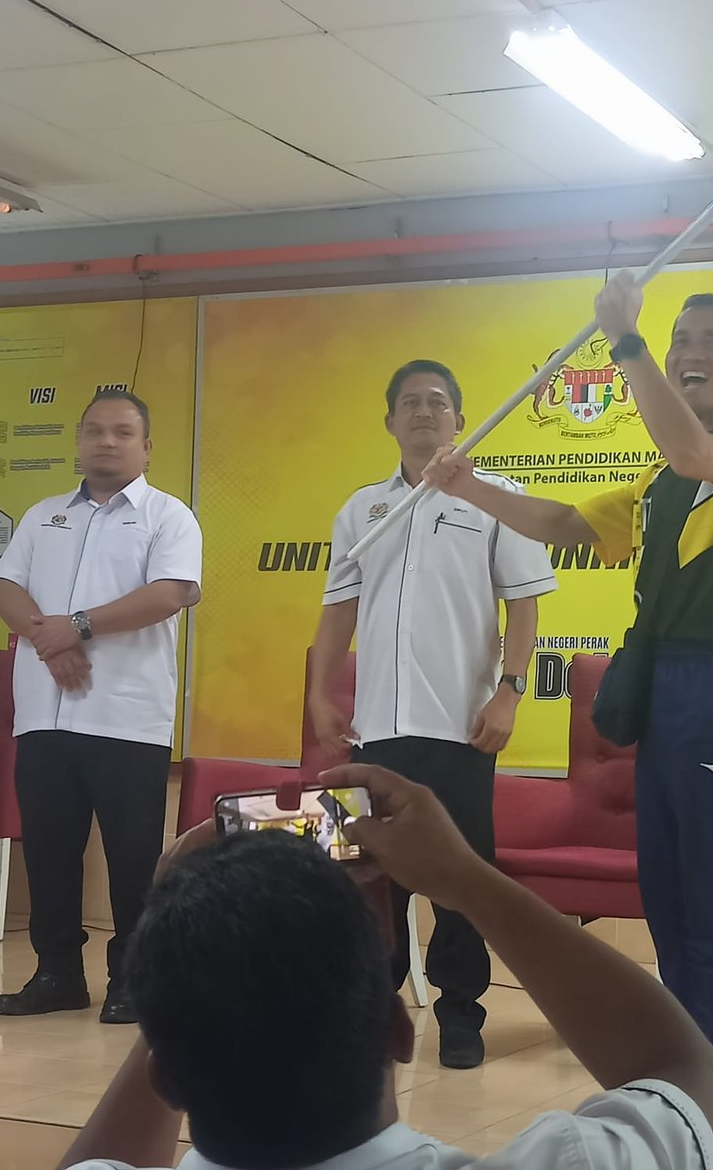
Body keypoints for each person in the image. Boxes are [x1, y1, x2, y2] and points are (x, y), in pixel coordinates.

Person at [424, 274, 713, 1156]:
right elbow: (565, 521)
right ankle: (687, 1078)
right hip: (665, 687)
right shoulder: (659, 478)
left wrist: (625, 344)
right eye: (680, 339)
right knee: (670, 898)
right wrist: (469, 486)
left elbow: (697, 454)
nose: (692, 353)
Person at [59, 761, 713, 1170]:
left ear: (166, 1076)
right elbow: (688, 1071)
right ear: (398, 1029)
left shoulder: (162, 1075)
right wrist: (468, 879)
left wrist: (186, 948)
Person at [311, 359, 556, 1070]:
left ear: (460, 420)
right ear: (390, 420)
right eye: (411, 402)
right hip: (375, 730)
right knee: (367, 875)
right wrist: (320, 693)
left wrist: (510, 690)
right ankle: (372, 1008)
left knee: (461, 875)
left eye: (439, 402)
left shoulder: (497, 499)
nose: (424, 412)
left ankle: (460, 1015)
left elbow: (524, 605)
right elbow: (338, 611)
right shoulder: (361, 510)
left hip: (460, 726)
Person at [0, 388, 202, 1025]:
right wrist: (51, 641)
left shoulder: (169, 516)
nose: (107, 441)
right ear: (79, 441)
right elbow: (5, 588)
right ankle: (56, 973)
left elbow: (170, 594)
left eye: (122, 432)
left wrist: (76, 626)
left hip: (125, 716)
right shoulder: (44, 515)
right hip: (44, 713)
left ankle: (133, 978)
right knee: (48, 850)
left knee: (132, 856)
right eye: (95, 431)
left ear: (146, 447)